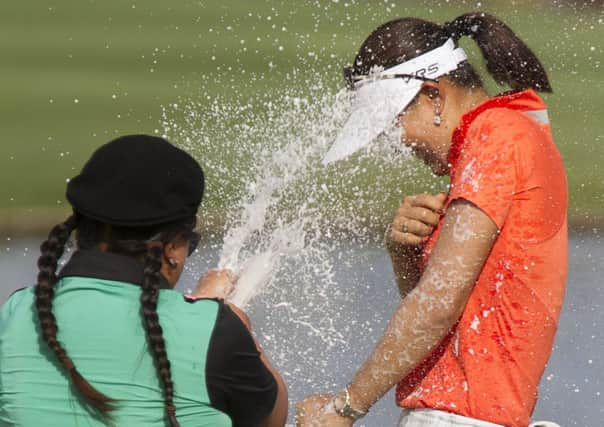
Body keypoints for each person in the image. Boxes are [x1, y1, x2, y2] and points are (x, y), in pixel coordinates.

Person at [297, 12, 566, 427]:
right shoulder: (503, 136)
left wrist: (345, 407)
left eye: (394, 123)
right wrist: (404, 255)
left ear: (433, 95)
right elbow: (448, 322)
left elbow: (438, 305)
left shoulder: (496, 138)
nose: (399, 142)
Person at [0, 135, 287, 426]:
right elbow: (271, 421)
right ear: (173, 248)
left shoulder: (15, 314)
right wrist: (228, 317)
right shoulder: (216, 330)